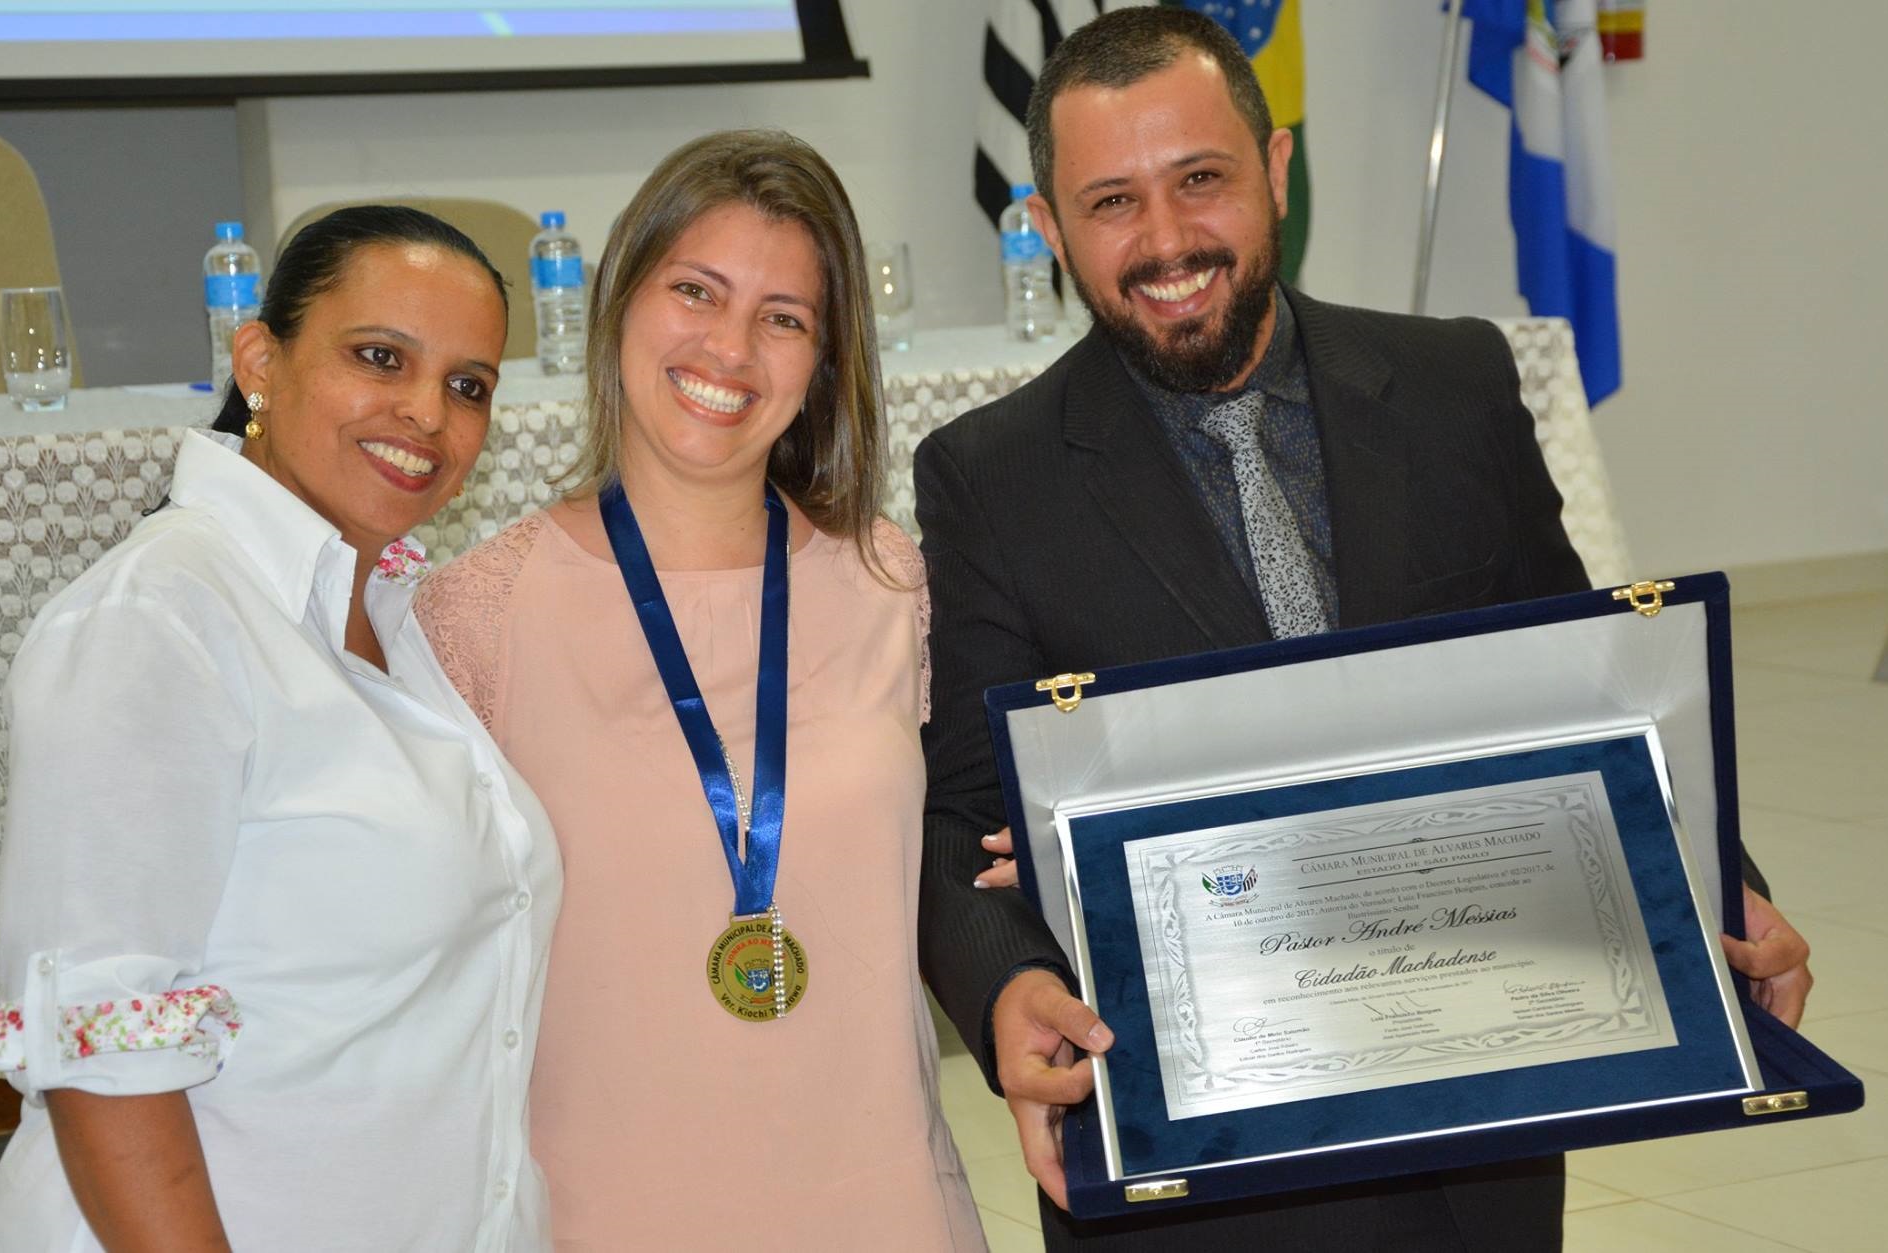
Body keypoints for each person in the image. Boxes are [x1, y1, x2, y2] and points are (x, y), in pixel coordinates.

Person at [915, 8, 1813, 1251]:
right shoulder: (989, 477)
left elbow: (1590, 700)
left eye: (1200, 179)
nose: (1165, 240)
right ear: (1051, 227)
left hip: (1476, 1121)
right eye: (1111, 202)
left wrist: (1724, 885)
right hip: (1188, 1145)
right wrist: (1010, 984)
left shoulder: (1454, 389)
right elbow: (957, 812)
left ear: (1275, 169)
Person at [416, 130, 984, 1251]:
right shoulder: (478, 612)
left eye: (784, 317)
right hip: (601, 1210)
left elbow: (953, 856)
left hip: (876, 1198)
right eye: (695, 291)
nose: (729, 347)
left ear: (824, 360)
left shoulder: (890, 582)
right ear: (618, 301)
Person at [0, 206, 562, 1252]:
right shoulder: (160, 618)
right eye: (379, 357)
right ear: (259, 360)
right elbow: (103, 1053)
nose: (426, 411)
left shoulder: (387, 612)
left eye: (469, 385)